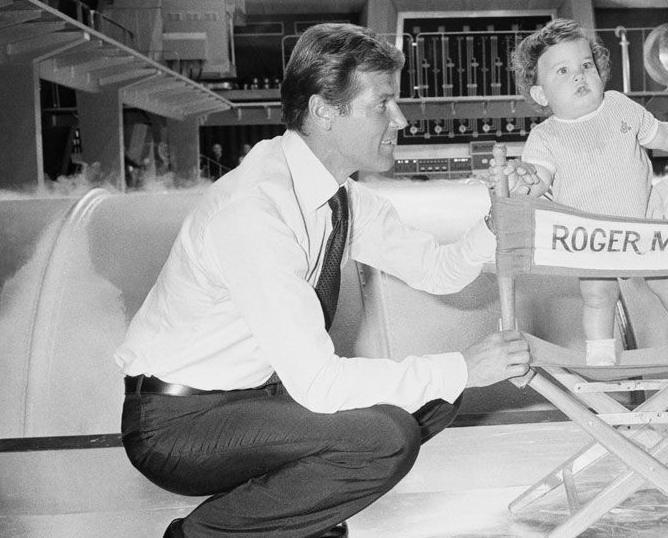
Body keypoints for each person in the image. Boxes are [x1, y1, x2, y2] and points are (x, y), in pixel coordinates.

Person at [115, 23, 530, 537]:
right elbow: (319, 384)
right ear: (324, 111)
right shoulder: (255, 210)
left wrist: (500, 219)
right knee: (387, 435)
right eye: (382, 103)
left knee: (435, 395)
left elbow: (436, 269)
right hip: (177, 423)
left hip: (253, 398)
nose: (400, 119)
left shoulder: (336, 196)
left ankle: (297, 516)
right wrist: (464, 364)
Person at [507, 19, 668, 366]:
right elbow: (540, 177)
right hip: (594, 236)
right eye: (562, 71)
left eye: (586, 65)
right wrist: (525, 182)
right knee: (597, 294)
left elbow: (665, 135)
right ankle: (599, 353)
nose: (579, 76)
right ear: (540, 94)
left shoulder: (619, 107)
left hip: (644, 223)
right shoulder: (545, 137)